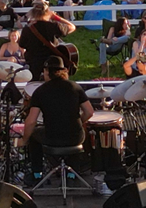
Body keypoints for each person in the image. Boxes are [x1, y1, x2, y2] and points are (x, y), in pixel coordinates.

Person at [19, 55, 93, 187]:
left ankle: (37, 174)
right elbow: (89, 112)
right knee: (77, 131)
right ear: (63, 71)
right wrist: (79, 122)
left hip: (52, 138)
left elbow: (31, 121)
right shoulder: (75, 87)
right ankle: (71, 175)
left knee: (34, 136)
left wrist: (24, 139)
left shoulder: (40, 91)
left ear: (47, 71)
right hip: (75, 137)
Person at [19, 0, 77, 80]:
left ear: (32, 12)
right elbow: (72, 27)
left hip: (34, 65)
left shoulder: (27, 29)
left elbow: (22, 44)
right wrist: (55, 17)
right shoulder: (54, 26)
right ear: (47, 11)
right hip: (52, 65)